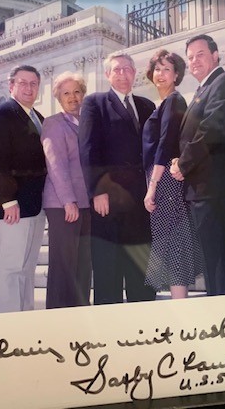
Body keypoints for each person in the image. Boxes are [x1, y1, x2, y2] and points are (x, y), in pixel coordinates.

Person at [78, 51, 156, 304]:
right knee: (108, 271)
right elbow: (88, 148)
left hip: (140, 203)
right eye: (117, 69)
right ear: (107, 75)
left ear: (135, 73)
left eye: (127, 69)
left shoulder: (147, 106)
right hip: (108, 201)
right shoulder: (94, 103)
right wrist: (97, 190)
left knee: (141, 269)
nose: (123, 74)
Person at [170, 34, 225, 296]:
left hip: (212, 189)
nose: (194, 61)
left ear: (215, 55)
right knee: (212, 262)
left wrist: (183, 164)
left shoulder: (224, 82)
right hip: (200, 190)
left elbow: (211, 129)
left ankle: (224, 315)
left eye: (200, 54)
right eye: (190, 57)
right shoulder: (203, 89)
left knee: (219, 261)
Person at [0, 65, 48, 313]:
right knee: (10, 269)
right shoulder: (0, 113)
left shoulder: (38, 118)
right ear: (11, 86)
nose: (29, 88)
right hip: (12, 207)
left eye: (33, 83)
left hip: (34, 205)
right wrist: (8, 200)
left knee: (26, 270)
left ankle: (26, 323)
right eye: (23, 83)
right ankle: (9, 329)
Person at [142, 49, 205, 299]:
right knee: (171, 243)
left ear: (177, 74)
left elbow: (166, 144)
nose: (160, 74)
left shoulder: (173, 101)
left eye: (167, 69)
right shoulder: (166, 102)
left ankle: (180, 307)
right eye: (157, 69)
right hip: (164, 179)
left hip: (166, 181)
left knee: (175, 244)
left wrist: (152, 185)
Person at [41, 72, 92, 308]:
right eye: (66, 93)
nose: (72, 97)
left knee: (83, 265)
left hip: (86, 204)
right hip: (63, 205)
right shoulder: (53, 123)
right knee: (63, 266)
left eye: (76, 92)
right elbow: (55, 164)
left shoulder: (87, 123)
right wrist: (68, 201)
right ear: (59, 98)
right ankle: (58, 318)